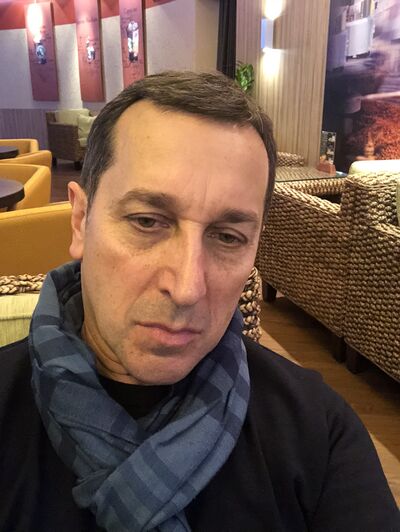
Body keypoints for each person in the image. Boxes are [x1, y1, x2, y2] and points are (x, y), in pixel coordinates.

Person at [0, 71, 398, 532]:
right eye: (147, 221)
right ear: (80, 220)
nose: (188, 287)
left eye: (228, 237)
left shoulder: (319, 432)